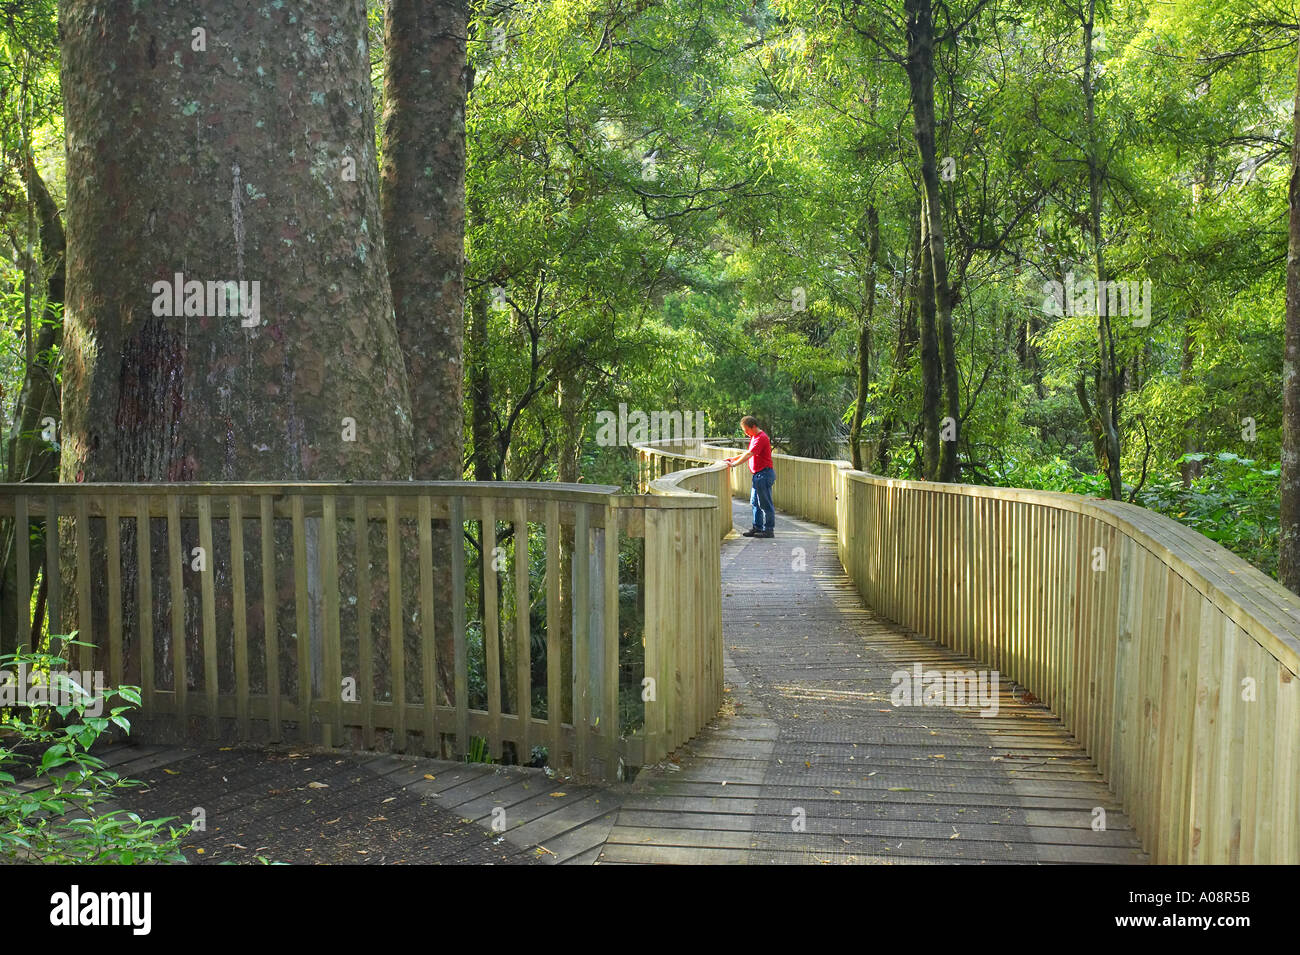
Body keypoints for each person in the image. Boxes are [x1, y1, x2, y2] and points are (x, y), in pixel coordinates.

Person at [725, 416, 775, 538]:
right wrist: (733, 459)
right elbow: (747, 453)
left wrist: (734, 464)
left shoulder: (761, 438)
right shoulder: (754, 437)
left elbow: (749, 454)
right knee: (754, 502)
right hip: (757, 475)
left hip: (764, 474)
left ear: (753, 426)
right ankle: (757, 527)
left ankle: (769, 530)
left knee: (765, 504)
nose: (745, 433)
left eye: (746, 430)